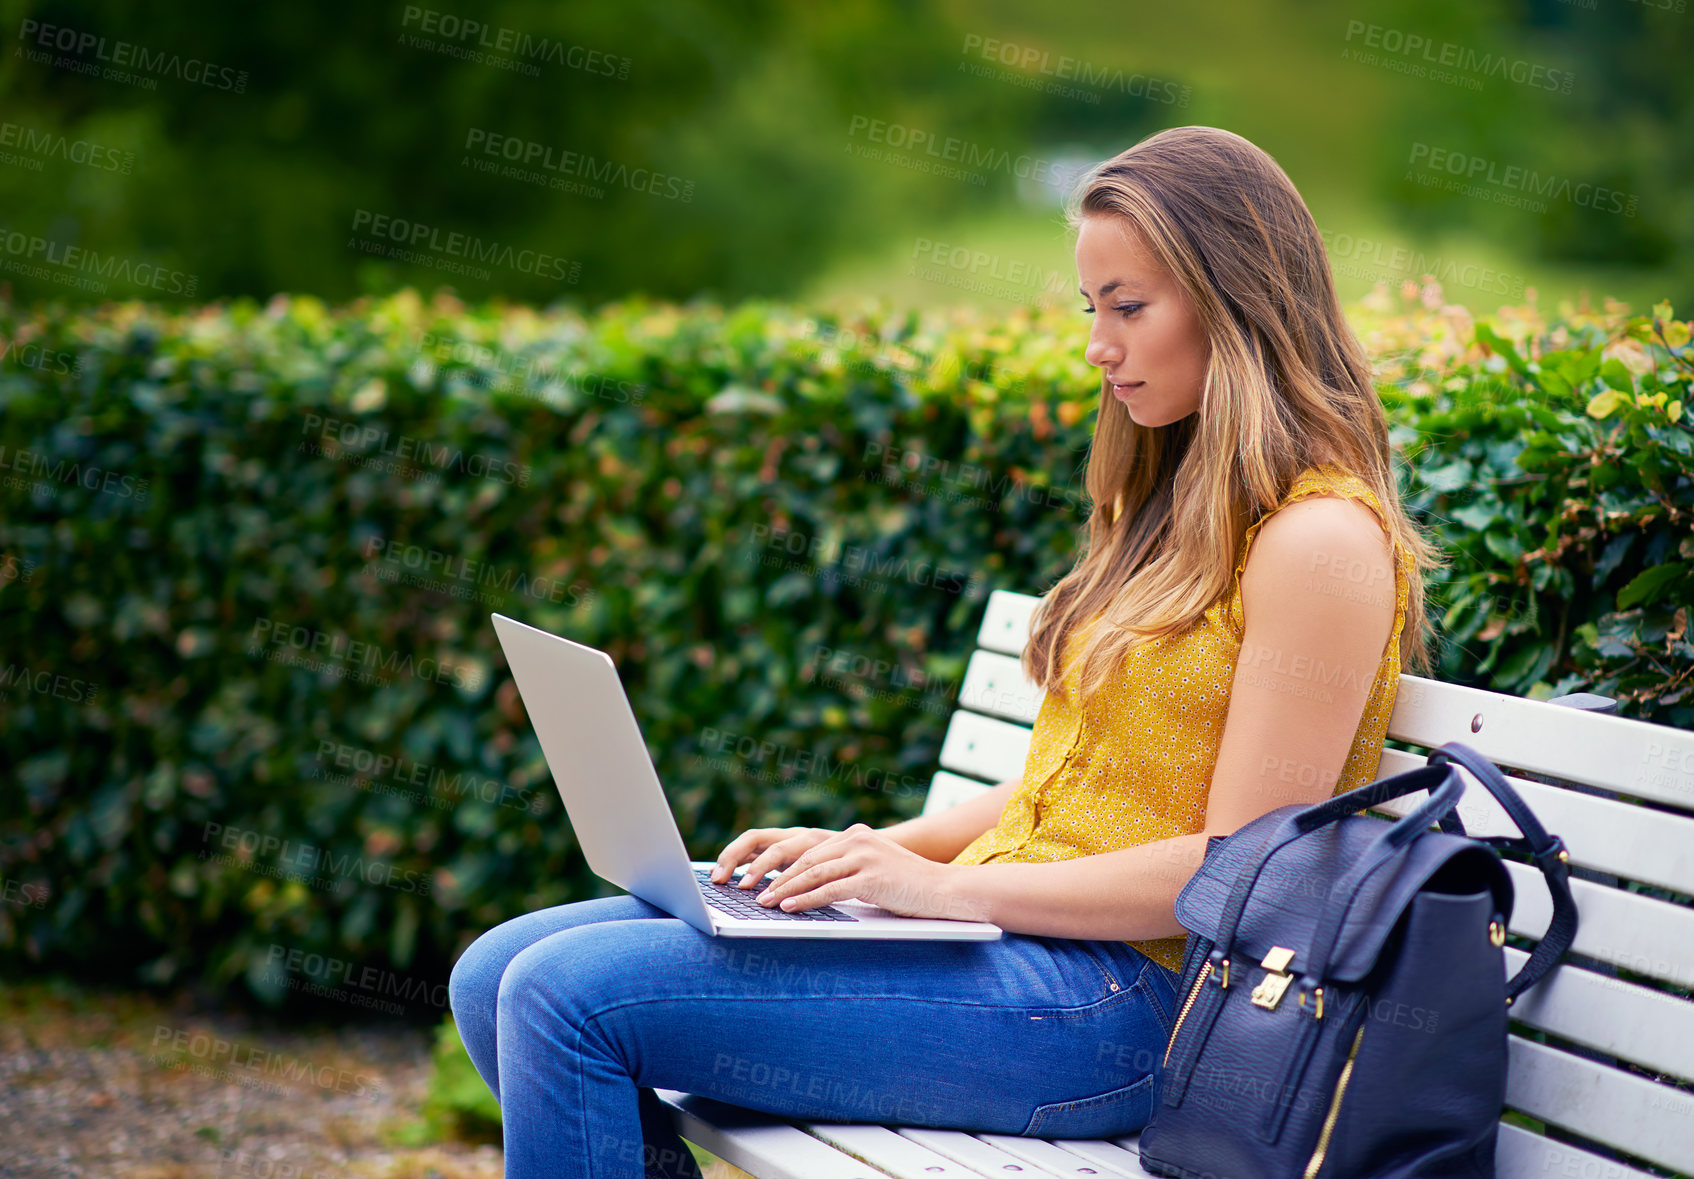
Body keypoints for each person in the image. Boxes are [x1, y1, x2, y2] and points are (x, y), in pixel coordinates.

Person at [447, 124, 1441, 1179]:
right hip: (1026, 958)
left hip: (1137, 1009)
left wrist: (948, 893)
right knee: (491, 972)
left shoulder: (1318, 540)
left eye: (1128, 306)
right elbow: (1069, 791)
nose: (1098, 345)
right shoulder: (1179, 503)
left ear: (1236, 296)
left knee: (562, 997)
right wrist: (870, 854)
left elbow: (1237, 870)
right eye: (1089, 307)